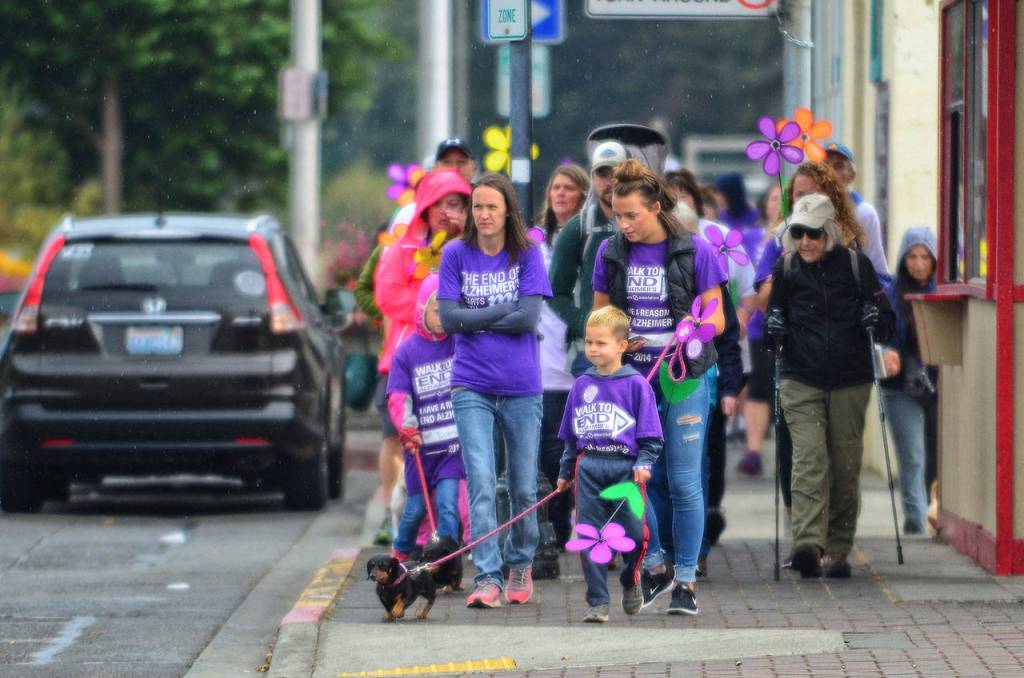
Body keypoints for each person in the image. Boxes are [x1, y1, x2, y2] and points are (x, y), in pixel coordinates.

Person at [592, 159, 727, 615]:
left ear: (656, 208)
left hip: (683, 379)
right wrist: (612, 346)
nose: (624, 224)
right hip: (630, 383)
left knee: (686, 480)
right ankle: (654, 562)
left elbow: (719, 318)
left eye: (632, 215)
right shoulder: (610, 254)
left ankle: (686, 579)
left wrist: (695, 329)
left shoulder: (696, 252)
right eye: (617, 216)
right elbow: (600, 319)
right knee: (630, 477)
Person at [766, 193, 894, 579]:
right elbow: (772, 325)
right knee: (808, 459)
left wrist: (874, 316)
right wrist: (774, 330)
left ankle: (838, 548)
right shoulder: (786, 267)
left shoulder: (857, 266)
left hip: (850, 377)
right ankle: (808, 543)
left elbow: (888, 324)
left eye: (814, 233)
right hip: (799, 375)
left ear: (831, 233)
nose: (805, 241)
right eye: (798, 232)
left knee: (845, 462)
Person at [438, 173, 552, 608]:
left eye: (491, 206)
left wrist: (477, 314)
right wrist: (504, 309)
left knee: (522, 486)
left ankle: (520, 562)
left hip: (522, 386)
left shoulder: (527, 254)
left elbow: (529, 319)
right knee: (483, 482)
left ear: (508, 211)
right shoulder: (455, 254)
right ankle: (488, 576)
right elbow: (449, 319)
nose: (483, 215)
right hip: (471, 384)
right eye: (477, 206)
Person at [373, 170, 472, 542]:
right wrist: (428, 295)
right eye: (443, 204)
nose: (449, 213)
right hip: (408, 358)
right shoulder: (404, 249)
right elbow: (387, 295)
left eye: (458, 205)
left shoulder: (473, 249)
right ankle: (400, 520)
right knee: (397, 439)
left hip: (458, 360)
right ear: (426, 209)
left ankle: (456, 528)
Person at [556, 306, 663, 623]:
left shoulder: (636, 385)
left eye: (600, 343)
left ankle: (631, 578)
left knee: (634, 534)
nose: (592, 349)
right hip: (589, 468)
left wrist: (644, 462)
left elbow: (652, 438)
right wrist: (565, 472)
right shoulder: (580, 385)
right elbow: (571, 438)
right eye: (589, 342)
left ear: (622, 345)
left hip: (625, 470)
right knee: (590, 535)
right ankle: (598, 602)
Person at [531, 164, 590, 545]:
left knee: (573, 448)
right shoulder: (535, 244)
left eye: (569, 188)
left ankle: (572, 519)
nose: (561, 194)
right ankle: (552, 523)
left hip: (578, 353)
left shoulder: (591, 237)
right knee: (547, 451)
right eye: (556, 187)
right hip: (542, 358)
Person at [386, 275, 464, 559]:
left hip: (452, 447)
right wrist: (406, 427)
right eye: (436, 309)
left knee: (447, 505)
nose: (443, 316)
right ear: (422, 310)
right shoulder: (407, 352)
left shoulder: (458, 342)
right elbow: (397, 395)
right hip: (420, 447)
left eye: (449, 307)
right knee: (416, 508)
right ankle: (402, 551)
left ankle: (446, 561)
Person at [548, 141, 630, 377]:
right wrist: (586, 323)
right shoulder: (578, 228)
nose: (610, 181)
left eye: (616, 172)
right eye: (602, 174)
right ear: (593, 178)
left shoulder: (648, 225)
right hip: (592, 353)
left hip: (642, 348)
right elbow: (554, 292)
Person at [880, 227, 938, 535]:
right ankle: (915, 524)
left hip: (938, 385)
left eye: (925, 256)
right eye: (912, 256)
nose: (918, 263)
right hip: (900, 387)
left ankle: (934, 519)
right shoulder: (891, 295)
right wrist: (888, 352)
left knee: (937, 458)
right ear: (903, 259)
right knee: (913, 457)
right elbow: (881, 338)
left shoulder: (942, 291)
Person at [740, 185, 783, 477]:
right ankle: (753, 450)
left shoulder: (798, 236)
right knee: (757, 387)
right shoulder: (751, 237)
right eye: (773, 198)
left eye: (785, 199)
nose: (778, 204)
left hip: (789, 326)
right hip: (757, 328)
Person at [823, 142, 891, 283]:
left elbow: (878, 270)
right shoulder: (808, 212)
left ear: (851, 175)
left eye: (839, 167)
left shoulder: (864, 214)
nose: (830, 173)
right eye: (825, 166)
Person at [714, 172, 763, 261]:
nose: (718, 198)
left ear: (731, 193)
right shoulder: (718, 219)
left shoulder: (756, 218)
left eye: (721, 194)